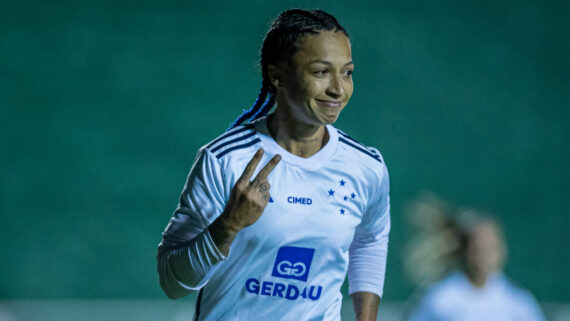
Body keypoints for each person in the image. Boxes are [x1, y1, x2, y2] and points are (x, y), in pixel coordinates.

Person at [157, 9, 390, 321]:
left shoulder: (366, 167)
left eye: (346, 72)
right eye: (321, 72)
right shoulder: (225, 160)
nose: (338, 89)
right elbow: (173, 283)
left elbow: (369, 241)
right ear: (276, 75)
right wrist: (229, 224)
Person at [403, 195, 547, 321]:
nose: (485, 255)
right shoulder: (440, 300)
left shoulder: (519, 303)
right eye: (478, 248)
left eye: (491, 247)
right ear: (465, 250)